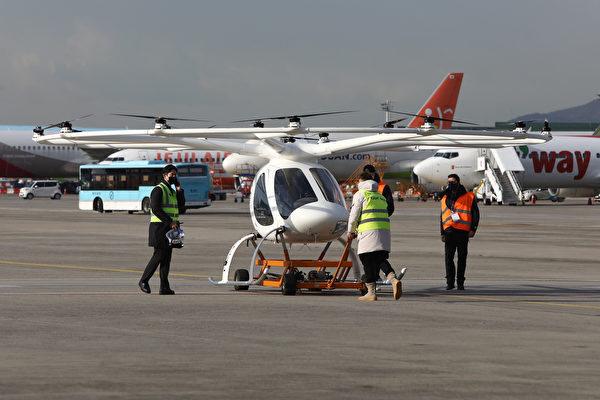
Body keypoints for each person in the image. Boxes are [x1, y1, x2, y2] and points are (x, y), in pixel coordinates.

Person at [348, 172, 404, 301]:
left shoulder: (360, 194)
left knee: (366, 259)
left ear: (361, 182)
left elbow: (354, 215)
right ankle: (393, 279)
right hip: (383, 232)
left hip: (368, 231)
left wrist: (350, 231)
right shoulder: (379, 196)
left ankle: (371, 292)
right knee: (379, 259)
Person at [139, 164, 185, 295]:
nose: (174, 177)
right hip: (159, 228)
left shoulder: (171, 190)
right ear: (165, 176)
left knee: (166, 258)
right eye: (172, 175)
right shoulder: (158, 190)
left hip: (170, 228)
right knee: (159, 255)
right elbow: (156, 208)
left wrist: (179, 189)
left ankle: (164, 286)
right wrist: (170, 222)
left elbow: (181, 206)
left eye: (176, 175)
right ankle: (143, 280)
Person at [440, 174, 479, 290]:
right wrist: (442, 232)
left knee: (462, 258)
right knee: (448, 258)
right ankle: (450, 282)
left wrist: (473, 229)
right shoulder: (445, 197)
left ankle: (460, 282)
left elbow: (476, 214)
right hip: (449, 230)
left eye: (452, 181)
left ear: (458, 182)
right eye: (449, 182)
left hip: (462, 231)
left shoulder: (469, 196)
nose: (450, 184)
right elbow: (441, 216)